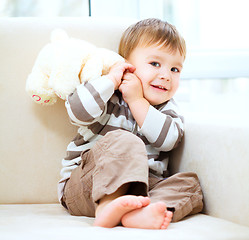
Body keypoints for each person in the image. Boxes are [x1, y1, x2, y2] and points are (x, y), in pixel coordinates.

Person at [58, 18, 203, 229]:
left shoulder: (168, 109)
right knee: (124, 140)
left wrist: (138, 101)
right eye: (155, 64)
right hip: (87, 184)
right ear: (127, 64)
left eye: (175, 69)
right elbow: (76, 111)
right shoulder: (108, 95)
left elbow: (168, 140)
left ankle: (136, 213)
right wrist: (111, 79)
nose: (165, 76)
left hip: (143, 187)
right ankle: (107, 206)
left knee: (191, 184)